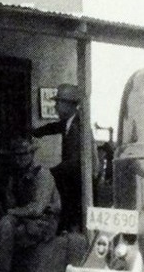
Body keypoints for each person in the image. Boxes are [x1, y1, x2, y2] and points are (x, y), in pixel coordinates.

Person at [0, 137, 60, 272]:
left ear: (31, 155)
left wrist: (13, 212)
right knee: (2, 225)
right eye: (16, 155)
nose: (20, 159)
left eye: (24, 154)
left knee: (9, 228)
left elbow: (38, 208)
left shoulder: (42, 173)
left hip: (43, 222)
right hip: (26, 219)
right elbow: (11, 205)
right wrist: (9, 190)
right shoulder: (16, 175)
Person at [32, 83, 96, 234]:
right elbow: (55, 127)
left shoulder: (76, 127)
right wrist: (36, 132)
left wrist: (48, 172)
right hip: (74, 180)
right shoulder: (70, 122)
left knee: (74, 221)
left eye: (58, 103)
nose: (55, 107)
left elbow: (73, 163)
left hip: (77, 183)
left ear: (69, 105)